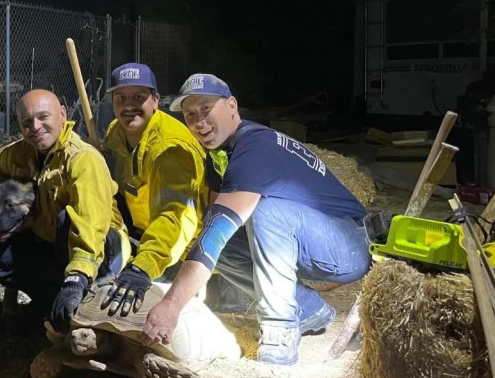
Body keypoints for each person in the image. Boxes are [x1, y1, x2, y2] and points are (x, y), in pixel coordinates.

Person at [142, 73, 370, 365]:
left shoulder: (254, 147)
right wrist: (195, 292)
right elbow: (211, 228)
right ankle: (308, 308)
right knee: (213, 242)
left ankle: (280, 328)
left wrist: (171, 305)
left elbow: (217, 233)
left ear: (232, 106)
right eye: (190, 115)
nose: (199, 122)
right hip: (310, 240)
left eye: (206, 109)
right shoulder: (220, 153)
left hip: (349, 243)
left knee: (265, 211)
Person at [0, 88, 130, 334]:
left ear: (62, 115)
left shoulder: (83, 159)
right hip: (49, 243)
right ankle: (48, 297)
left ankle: (83, 292)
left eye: (44, 117)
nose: (36, 126)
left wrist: (77, 278)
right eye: (27, 122)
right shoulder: (16, 154)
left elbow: (90, 226)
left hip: (100, 248)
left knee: (67, 220)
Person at [100, 63, 209, 315]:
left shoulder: (171, 149)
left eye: (139, 97)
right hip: (142, 236)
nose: (129, 105)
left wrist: (142, 269)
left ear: (155, 100)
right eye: (121, 97)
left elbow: (176, 217)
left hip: (182, 251)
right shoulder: (115, 134)